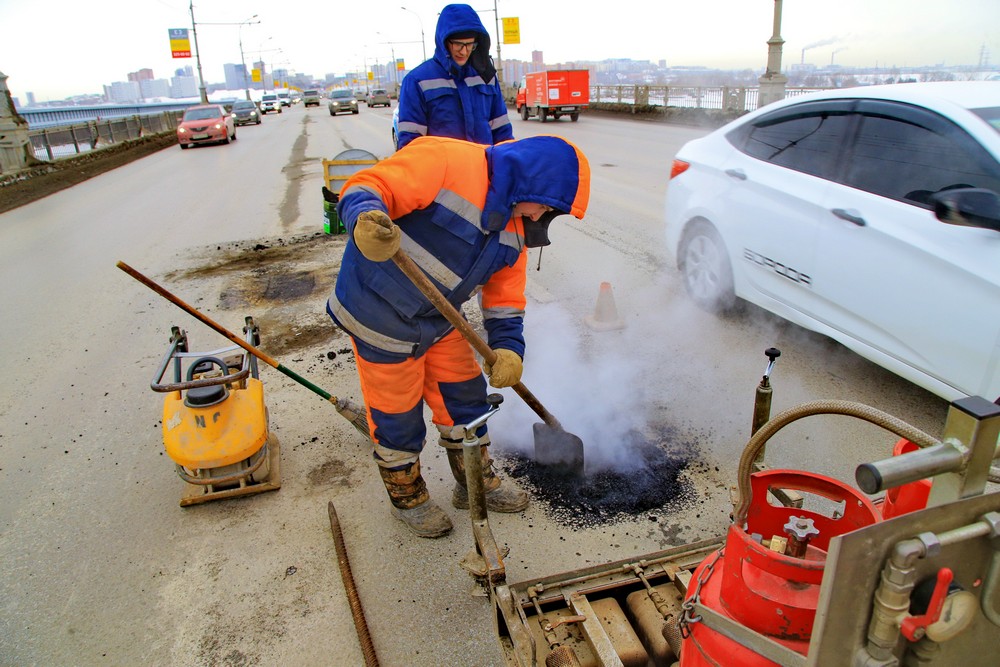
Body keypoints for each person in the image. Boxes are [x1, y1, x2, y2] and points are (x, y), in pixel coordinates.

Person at [326, 135, 590, 538]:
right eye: (546, 206)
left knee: (465, 398)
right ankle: (408, 498)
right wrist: (365, 216)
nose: (542, 216)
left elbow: (505, 300)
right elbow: (368, 185)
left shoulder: (518, 226)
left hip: (438, 317)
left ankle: (475, 484)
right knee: (397, 416)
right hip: (378, 312)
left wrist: (507, 348)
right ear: (528, 183)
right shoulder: (445, 161)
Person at [395, 3, 513, 150]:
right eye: (458, 45)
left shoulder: (486, 78)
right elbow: (411, 146)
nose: (464, 52)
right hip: (442, 172)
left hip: (483, 170)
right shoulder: (417, 81)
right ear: (444, 42)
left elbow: (503, 135)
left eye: (470, 45)